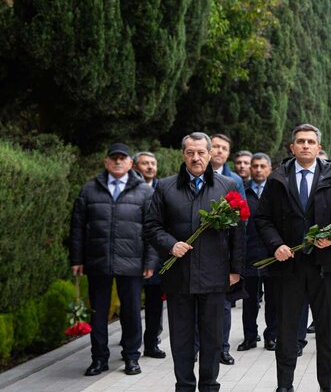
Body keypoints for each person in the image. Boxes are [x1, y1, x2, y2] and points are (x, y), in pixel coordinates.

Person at [252, 124, 331, 392]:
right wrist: (276, 245)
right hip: (288, 266)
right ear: (292, 147)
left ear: (319, 147)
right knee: (286, 331)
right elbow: (262, 218)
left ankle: (328, 386)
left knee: (326, 331)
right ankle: (284, 386)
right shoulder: (277, 179)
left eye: (310, 141)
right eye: (300, 141)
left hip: (323, 267)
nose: (305, 145)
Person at [145, 132, 244, 392]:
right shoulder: (165, 187)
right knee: (182, 338)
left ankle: (210, 385)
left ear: (211, 154)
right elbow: (152, 225)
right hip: (180, 276)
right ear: (183, 155)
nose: (196, 157)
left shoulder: (227, 186)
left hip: (214, 275)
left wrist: (235, 269)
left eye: (201, 152)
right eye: (190, 152)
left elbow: (237, 232)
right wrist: (170, 244)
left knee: (212, 338)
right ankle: (185, 386)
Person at [70, 143, 156, 376]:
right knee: (98, 313)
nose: (118, 162)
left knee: (131, 313)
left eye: (123, 158)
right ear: (106, 162)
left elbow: (152, 228)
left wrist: (150, 261)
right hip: (98, 261)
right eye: (114, 158)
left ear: (130, 163)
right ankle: (99, 359)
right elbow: (77, 227)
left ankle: (131, 358)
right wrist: (76, 259)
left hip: (132, 261)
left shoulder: (144, 192)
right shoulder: (89, 189)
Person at [209, 133, 246, 365]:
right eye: (215, 146)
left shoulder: (234, 181)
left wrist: (236, 265)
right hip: (197, 252)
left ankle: (222, 348)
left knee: (222, 306)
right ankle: (195, 347)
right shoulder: (191, 177)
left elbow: (241, 219)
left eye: (224, 147)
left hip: (223, 253)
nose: (219, 151)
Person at [237, 153, 278, 352]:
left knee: (273, 300)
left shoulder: (277, 191)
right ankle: (249, 337)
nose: (259, 170)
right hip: (250, 255)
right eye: (255, 166)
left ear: (269, 169)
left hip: (272, 256)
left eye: (263, 166)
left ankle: (272, 336)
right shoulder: (243, 193)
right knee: (249, 301)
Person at [133, 151, 167, 359]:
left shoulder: (162, 188)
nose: (149, 167)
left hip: (157, 257)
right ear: (135, 166)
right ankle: (131, 342)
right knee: (133, 303)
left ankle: (152, 342)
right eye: (145, 163)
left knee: (155, 304)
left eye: (153, 163)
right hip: (133, 256)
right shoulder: (131, 189)